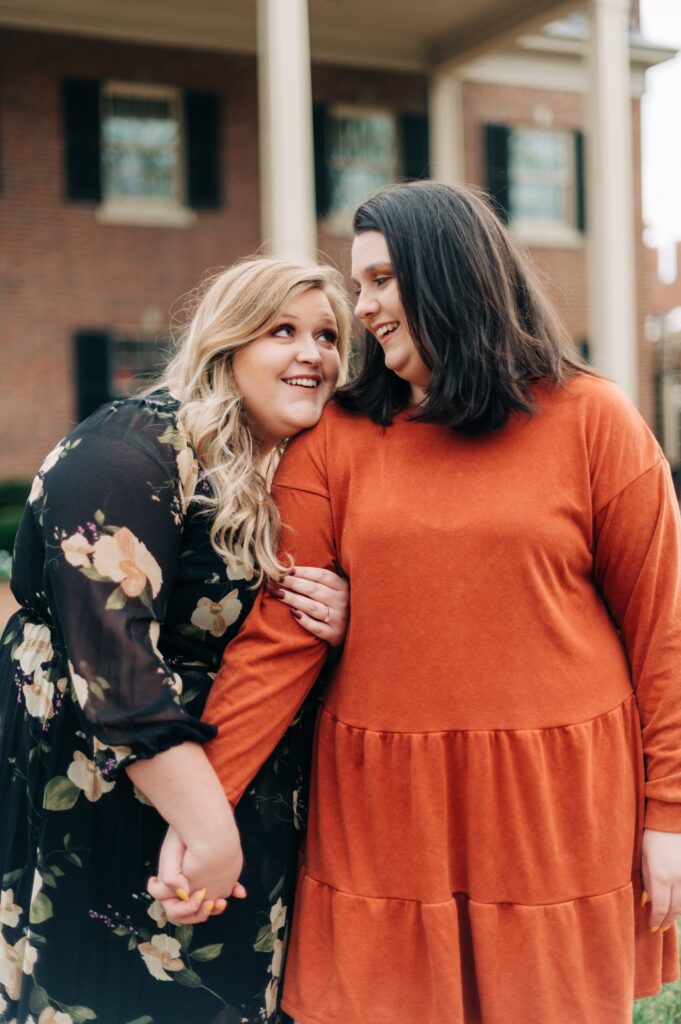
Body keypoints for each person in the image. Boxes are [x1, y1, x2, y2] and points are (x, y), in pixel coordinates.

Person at [155, 182, 681, 1024]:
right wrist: (201, 813)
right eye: (358, 285)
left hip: (555, 802)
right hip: (387, 809)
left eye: (379, 281)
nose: (360, 308)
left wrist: (669, 817)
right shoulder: (337, 442)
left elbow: (663, 632)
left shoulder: (594, 419)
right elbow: (276, 641)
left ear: (449, 273)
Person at [0, 256, 353, 1024]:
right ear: (227, 341)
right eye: (282, 330)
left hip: (236, 789)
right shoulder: (131, 449)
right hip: (110, 794)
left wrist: (341, 610)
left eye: (328, 336)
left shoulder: (287, 471)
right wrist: (206, 830)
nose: (314, 354)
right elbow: (113, 666)